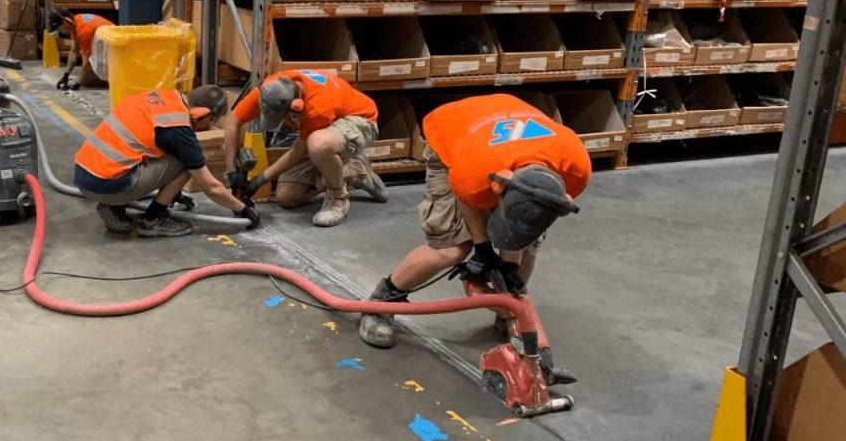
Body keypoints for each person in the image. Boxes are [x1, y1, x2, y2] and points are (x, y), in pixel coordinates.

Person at [357, 94, 590, 354]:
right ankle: (381, 302)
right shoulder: (473, 171)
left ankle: (509, 312)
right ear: (498, 185)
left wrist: (508, 267)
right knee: (450, 248)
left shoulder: (576, 169)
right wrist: (482, 248)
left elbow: (526, 226)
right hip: (454, 132)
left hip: (502, 129)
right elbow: (468, 200)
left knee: (529, 247)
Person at [74, 85, 261, 238]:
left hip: (87, 175)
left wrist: (173, 193)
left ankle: (112, 206)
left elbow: (150, 146)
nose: (208, 126)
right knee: (189, 163)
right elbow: (211, 187)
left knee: (173, 155)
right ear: (202, 114)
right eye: (211, 120)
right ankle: (152, 220)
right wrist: (243, 209)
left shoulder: (161, 98)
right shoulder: (177, 128)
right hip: (108, 184)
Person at [221, 69, 387, 228]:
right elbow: (233, 121)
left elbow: (297, 153)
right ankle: (352, 172)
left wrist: (260, 180)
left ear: (295, 106)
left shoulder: (316, 109)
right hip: (323, 131)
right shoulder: (271, 89)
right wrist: (231, 172)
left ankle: (338, 199)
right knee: (287, 197)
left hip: (360, 119)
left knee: (318, 144)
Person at [46, 9, 113, 90]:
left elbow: (86, 63)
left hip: (113, 50)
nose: (60, 32)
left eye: (59, 28)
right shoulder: (76, 22)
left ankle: (113, 80)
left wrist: (77, 84)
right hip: (106, 47)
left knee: (85, 81)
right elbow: (74, 51)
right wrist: (66, 75)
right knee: (86, 75)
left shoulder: (83, 31)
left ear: (66, 21)